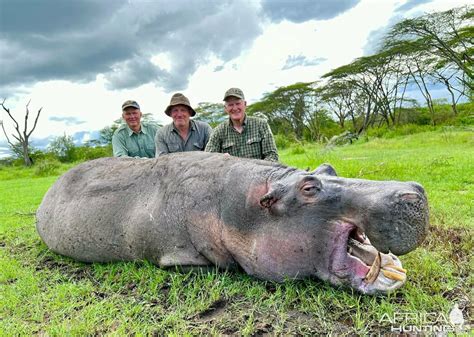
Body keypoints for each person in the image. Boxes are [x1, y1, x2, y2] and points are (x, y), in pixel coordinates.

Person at [205, 88, 279, 162]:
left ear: (245, 104)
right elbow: (208, 160)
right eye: (230, 105)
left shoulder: (261, 125)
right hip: (230, 173)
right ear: (225, 108)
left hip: (258, 172)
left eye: (238, 103)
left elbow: (272, 155)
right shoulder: (218, 131)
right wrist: (220, 159)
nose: (234, 108)